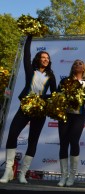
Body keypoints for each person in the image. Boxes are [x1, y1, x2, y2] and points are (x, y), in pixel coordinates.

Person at [0, 35, 57, 183]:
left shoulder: (51, 76)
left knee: (33, 141)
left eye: (47, 58)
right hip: (26, 106)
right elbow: (27, 55)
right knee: (12, 134)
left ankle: (22, 173)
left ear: (49, 61)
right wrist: (29, 37)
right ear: (38, 59)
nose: (45, 59)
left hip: (40, 110)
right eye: (42, 57)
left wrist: (44, 98)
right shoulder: (30, 70)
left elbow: (55, 94)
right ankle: (8, 172)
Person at [57, 59, 85, 187]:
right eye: (75, 64)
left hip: (78, 116)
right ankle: (63, 176)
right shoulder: (64, 81)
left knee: (74, 142)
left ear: (83, 68)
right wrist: (67, 95)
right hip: (65, 116)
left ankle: (72, 176)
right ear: (72, 68)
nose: (77, 65)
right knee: (63, 144)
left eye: (80, 64)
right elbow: (57, 96)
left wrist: (79, 95)